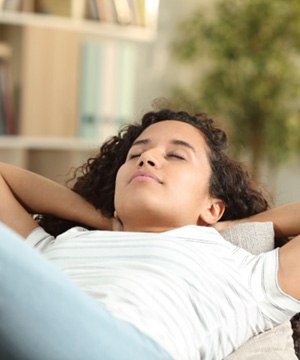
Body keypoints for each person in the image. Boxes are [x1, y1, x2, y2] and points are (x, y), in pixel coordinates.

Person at [0, 109, 299, 360]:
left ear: (212, 207)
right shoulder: (62, 246)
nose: (148, 157)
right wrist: (100, 219)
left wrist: (237, 225)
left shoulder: (245, 273)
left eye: (177, 155)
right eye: (136, 154)